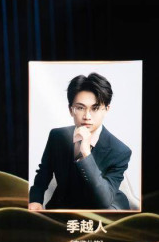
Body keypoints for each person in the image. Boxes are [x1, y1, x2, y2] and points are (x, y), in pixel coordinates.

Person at [29, 72, 131, 210]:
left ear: (106, 109)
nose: (87, 116)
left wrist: (85, 153)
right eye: (80, 108)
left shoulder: (120, 151)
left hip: (100, 212)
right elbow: (43, 173)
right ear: (71, 110)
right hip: (63, 209)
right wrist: (35, 200)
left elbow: (104, 201)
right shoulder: (57, 136)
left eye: (95, 108)